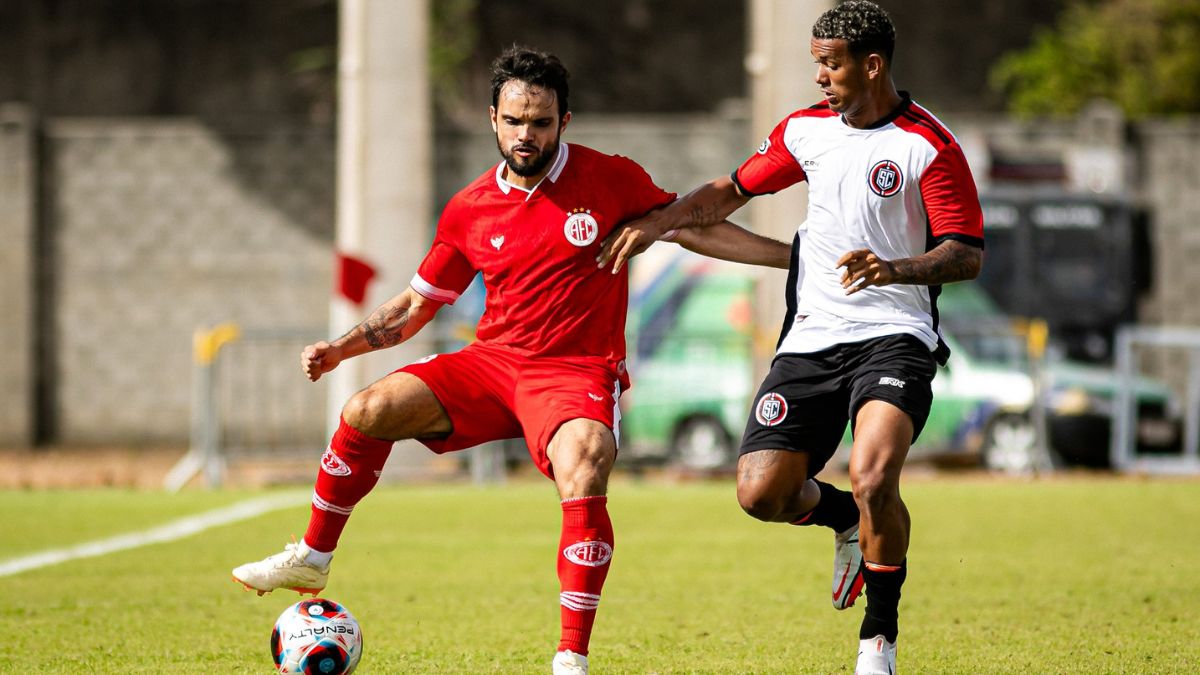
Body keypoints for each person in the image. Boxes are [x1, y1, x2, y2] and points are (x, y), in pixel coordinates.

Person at [232, 45, 790, 675]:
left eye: (542, 122)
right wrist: (341, 349)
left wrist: (792, 258)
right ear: (493, 119)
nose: (528, 135)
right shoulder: (468, 209)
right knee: (368, 409)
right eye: (516, 121)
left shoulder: (610, 178)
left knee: (584, 467)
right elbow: (416, 306)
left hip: (575, 368)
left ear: (565, 121)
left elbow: (690, 223)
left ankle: (569, 660)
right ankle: (313, 554)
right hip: (492, 363)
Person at [597, 3, 984, 673]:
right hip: (810, 337)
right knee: (761, 492)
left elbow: (966, 253)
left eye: (830, 65)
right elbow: (728, 192)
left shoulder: (929, 145)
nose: (820, 79)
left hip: (895, 334)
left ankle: (878, 641)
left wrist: (892, 268)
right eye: (816, 64)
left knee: (874, 476)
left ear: (872, 65)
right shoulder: (805, 132)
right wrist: (662, 223)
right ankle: (839, 520)